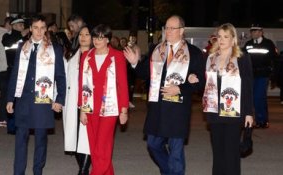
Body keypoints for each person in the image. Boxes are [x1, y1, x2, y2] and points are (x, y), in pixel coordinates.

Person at [124, 15, 205, 175]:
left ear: (181, 31)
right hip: (158, 107)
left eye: (172, 28)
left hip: (177, 109)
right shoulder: (157, 49)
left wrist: (181, 88)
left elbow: (201, 82)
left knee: (176, 153)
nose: (167, 31)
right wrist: (135, 63)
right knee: (153, 145)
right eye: (166, 27)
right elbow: (145, 73)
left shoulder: (193, 53)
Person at [6, 15, 66, 175]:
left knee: (40, 140)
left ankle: (37, 171)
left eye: (42, 28)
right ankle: (18, 172)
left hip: (43, 101)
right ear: (30, 29)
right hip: (24, 100)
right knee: (20, 140)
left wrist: (60, 99)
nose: (39, 31)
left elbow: (61, 76)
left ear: (46, 29)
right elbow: (15, 73)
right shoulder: (22, 48)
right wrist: (10, 98)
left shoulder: (55, 49)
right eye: (36, 27)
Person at [191, 23, 254, 175]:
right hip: (214, 112)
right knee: (218, 153)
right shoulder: (210, 58)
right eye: (219, 36)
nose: (222, 39)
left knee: (231, 154)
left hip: (233, 112)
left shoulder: (242, 58)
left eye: (226, 36)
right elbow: (205, 83)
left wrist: (249, 113)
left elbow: (247, 87)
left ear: (233, 39)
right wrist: (195, 79)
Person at [78, 24, 129, 175]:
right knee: (95, 148)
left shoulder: (117, 56)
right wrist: (82, 109)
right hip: (90, 106)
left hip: (110, 107)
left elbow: (123, 84)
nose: (97, 40)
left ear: (107, 39)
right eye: (95, 37)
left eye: (101, 37)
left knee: (101, 146)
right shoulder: (86, 56)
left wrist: (124, 110)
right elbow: (81, 83)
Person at [63, 26, 92, 175]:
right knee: (75, 136)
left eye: (87, 34)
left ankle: (83, 170)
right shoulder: (72, 55)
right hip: (72, 101)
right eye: (81, 34)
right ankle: (83, 168)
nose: (83, 37)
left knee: (86, 138)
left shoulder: (95, 55)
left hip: (89, 102)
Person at [243, 24, 277, 128]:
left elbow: (274, 59)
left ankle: (261, 120)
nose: (253, 33)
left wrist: (273, 74)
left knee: (258, 97)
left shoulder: (268, 44)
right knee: (255, 98)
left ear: (261, 32)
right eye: (252, 31)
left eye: (256, 31)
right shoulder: (248, 44)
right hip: (251, 75)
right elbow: (243, 58)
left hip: (263, 74)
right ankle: (260, 120)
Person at [2, 17, 30, 134]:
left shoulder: (27, 38)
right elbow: (7, 43)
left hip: (25, 70)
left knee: (24, 98)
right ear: (13, 26)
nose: (22, 27)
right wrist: (20, 35)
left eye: (23, 25)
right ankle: (12, 127)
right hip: (13, 69)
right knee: (12, 97)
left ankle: (24, 124)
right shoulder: (7, 36)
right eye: (19, 25)